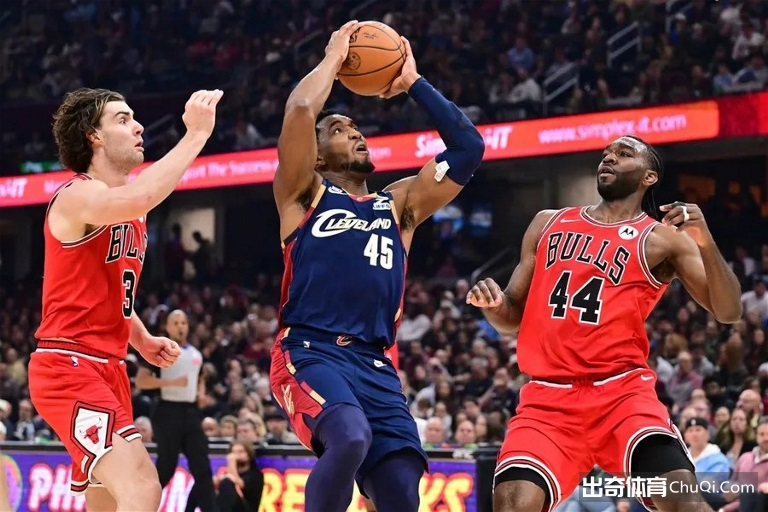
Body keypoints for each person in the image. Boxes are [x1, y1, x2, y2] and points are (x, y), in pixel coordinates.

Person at [269, 20, 484, 512]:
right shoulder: (303, 195)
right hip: (311, 349)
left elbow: (468, 149)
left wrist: (412, 83)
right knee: (348, 437)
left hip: (375, 363)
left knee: (402, 486)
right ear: (317, 156)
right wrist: (333, 58)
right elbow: (301, 109)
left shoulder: (399, 204)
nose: (355, 133)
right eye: (339, 130)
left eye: (356, 128)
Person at [467, 135, 742, 512]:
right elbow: (512, 316)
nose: (609, 159)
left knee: (684, 503)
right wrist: (494, 305)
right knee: (512, 505)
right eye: (606, 154)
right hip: (547, 401)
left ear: (648, 177)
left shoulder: (662, 240)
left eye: (623, 154)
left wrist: (705, 241)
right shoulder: (548, 222)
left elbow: (729, 311)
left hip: (622, 398)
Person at [27, 87, 223, 511]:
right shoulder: (77, 195)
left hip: (109, 367)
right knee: (143, 485)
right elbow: (140, 195)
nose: (138, 127)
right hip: (69, 364)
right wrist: (195, 136)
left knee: (108, 500)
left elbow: (113, 293)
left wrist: (143, 339)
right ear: (93, 136)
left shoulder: (130, 211)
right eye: (122, 119)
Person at [135, 309, 217, 512]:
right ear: (168, 327)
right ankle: (138, 507)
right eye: (176, 322)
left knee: (202, 468)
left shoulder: (196, 353)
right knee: (166, 467)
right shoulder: (160, 349)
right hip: (166, 411)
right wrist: (171, 383)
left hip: (191, 412)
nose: (180, 326)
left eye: (183, 322)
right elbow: (141, 380)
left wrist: (200, 394)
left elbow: (199, 378)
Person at [212, 441, 264, 512]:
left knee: (227, 483)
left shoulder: (255, 474)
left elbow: (238, 484)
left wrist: (231, 462)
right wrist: (219, 479)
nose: (236, 455)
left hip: (245, 508)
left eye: (241, 452)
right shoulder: (228, 473)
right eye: (233, 452)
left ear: (249, 454)